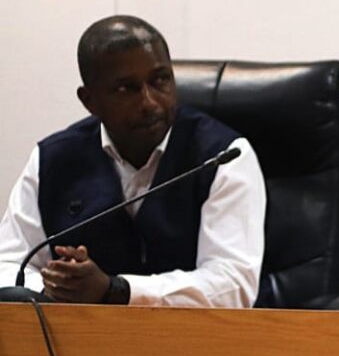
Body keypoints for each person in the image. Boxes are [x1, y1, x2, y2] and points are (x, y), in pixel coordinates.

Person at [0, 16, 266, 307]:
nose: (150, 102)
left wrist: (118, 290)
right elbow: (8, 264)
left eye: (160, 80)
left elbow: (233, 285)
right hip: (81, 333)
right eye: (126, 89)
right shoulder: (52, 159)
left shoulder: (223, 156)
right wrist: (60, 286)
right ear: (89, 101)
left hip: (199, 334)